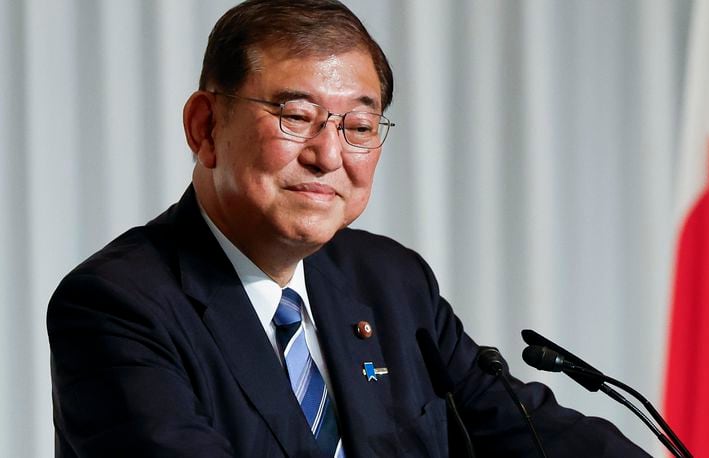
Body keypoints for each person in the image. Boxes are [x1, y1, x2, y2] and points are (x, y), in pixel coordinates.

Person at [47, 1, 649, 456]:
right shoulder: (117, 305)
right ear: (205, 128)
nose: (328, 155)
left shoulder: (390, 280)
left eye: (359, 127)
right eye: (296, 117)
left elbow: (524, 430)